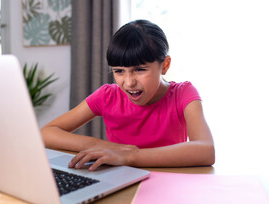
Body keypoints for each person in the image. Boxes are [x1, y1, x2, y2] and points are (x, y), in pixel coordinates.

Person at [41, 19, 215, 171]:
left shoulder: (183, 94)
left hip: (170, 181)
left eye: (139, 70)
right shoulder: (107, 96)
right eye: (119, 71)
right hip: (120, 180)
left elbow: (206, 151)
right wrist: (103, 146)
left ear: (165, 65)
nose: (129, 82)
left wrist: (131, 156)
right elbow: (47, 133)